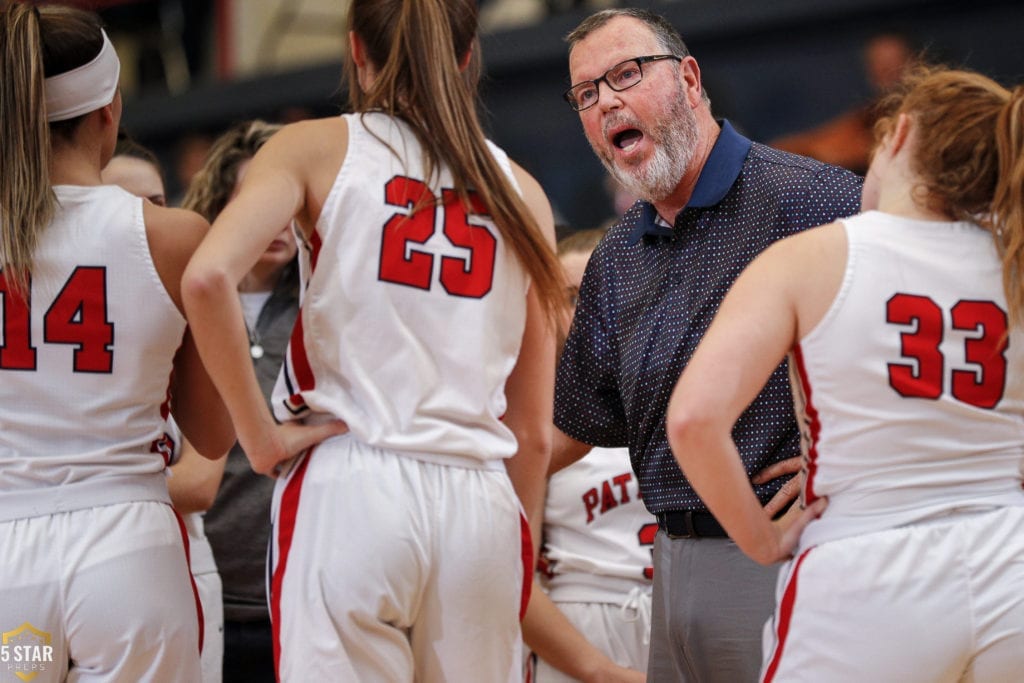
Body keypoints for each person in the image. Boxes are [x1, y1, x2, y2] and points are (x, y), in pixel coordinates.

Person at [180, 0, 565, 680]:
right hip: (480, 501)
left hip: (353, 481)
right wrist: (516, 547)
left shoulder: (315, 146)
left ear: (356, 53)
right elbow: (533, 430)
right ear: (469, 60)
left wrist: (261, 436)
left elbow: (208, 276)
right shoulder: (524, 192)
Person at [668, 64, 1024, 682]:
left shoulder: (815, 254)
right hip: (1010, 560)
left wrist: (761, 540)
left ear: (899, 135)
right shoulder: (1013, 256)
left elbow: (695, 418)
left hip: (870, 569)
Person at [551, 8, 863, 682]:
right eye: (586, 92)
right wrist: (454, 454)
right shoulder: (614, 254)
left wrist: (844, 453)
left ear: (688, 78)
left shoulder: (811, 198)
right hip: (666, 561)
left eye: (625, 74)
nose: (606, 100)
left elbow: (903, 331)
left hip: (780, 553)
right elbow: (577, 421)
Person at [0, 4, 234, 682]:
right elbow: (212, 433)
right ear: (110, 109)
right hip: (126, 567)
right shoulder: (173, 235)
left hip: (11, 574)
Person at [101, 135, 227, 683]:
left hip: (168, 565)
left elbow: (201, 480)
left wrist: (65, 487)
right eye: (126, 204)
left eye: (156, 203)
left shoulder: (194, 313)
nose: (144, 220)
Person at [179, 119, 294, 683]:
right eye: (254, 199)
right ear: (222, 209)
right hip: (195, 584)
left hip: (299, 589)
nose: (275, 219)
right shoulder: (177, 311)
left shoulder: (327, 308)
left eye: (287, 201)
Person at [524, 227, 652, 683]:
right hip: (579, 631)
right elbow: (508, 569)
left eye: (603, 293)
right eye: (573, 296)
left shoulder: (688, 399)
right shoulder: (531, 417)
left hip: (684, 617)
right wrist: (598, 670)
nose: (589, 313)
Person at [770, 33, 915, 174]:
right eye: (878, 65)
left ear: (914, 63)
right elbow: (817, 145)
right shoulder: (868, 117)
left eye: (893, 63)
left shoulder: (927, 113)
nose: (886, 72)